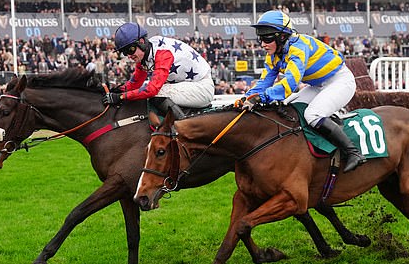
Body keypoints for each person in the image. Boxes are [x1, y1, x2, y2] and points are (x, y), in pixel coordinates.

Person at [237, 10, 365, 172]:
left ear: (282, 36)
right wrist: (248, 97)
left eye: (267, 38)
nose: (262, 44)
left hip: (340, 81)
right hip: (318, 85)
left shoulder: (298, 48)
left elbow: (289, 84)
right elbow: (264, 82)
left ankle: (353, 152)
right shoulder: (273, 55)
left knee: (312, 115)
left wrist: (261, 97)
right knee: (289, 107)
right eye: (260, 38)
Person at [102, 22, 215, 119]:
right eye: (125, 52)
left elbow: (152, 90)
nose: (129, 56)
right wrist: (114, 91)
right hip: (188, 86)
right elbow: (135, 84)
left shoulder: (162, 53)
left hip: (202, 88)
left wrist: (121, 97)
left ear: (141, 41)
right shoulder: (145, 55)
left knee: (157, 93)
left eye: (130, 50)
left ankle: (183, 127)